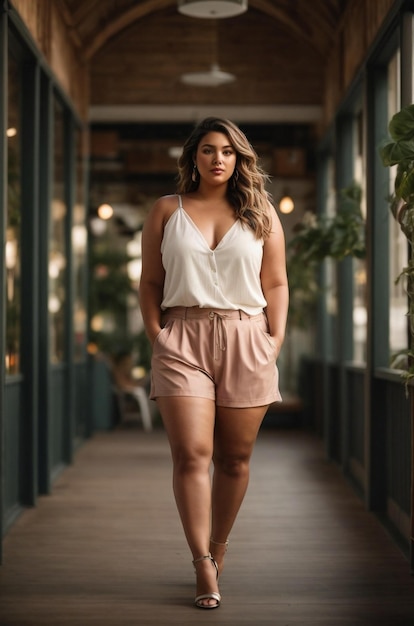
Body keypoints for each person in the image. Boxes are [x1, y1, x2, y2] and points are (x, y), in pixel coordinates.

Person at [139, 117, 288, 609]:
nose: (218, 158)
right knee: (191, 454)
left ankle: (219, 548)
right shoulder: (166, 210)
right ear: (193, 157)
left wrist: (274, 340)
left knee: (234, 459)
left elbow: (277, 284)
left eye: (227, 150)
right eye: (208, 150)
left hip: (249, 336)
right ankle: (202, 561)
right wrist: (157, 335)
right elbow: (150, 283)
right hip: (182, 337)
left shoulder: (261, 213)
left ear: (239, 157)